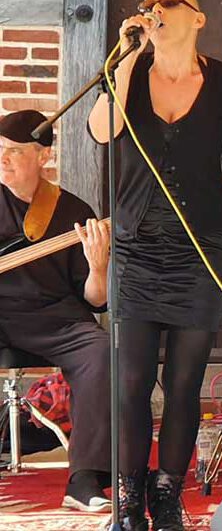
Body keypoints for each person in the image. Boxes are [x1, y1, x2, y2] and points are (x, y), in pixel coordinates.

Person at [87, 0, 222, 531]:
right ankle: (128, 500)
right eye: (147, 5)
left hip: (201, 251)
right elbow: (102, 130)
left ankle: (166, 495)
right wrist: (125, 59)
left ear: (198, 18)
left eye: (166, 3)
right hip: (136, 250)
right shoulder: (127, 72)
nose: (154, 10)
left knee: (184, 383)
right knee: (132, 383)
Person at [0, 110, 111, 512]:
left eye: (15, 151)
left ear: (43, 156)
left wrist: (98, 266)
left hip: (55, 318)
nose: (4, 158)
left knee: (101, 351)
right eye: (0, 149)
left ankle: (84, 480)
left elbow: (95, 300)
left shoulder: (73, 211)